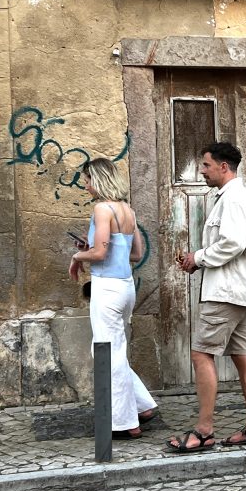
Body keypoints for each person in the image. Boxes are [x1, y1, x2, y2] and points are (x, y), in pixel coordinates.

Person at [166, 142, 246, 453]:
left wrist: (198, 257)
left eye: (206, 165)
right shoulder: (233, 196)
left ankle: (204, 430)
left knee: (201, 354)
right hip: (238, 290)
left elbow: (233, 243)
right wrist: (199, 259)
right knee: (242, 355)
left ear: (224, 167)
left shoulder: (233, 198)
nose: (202, 170)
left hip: (226, 292)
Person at [69, 158, 158, 440]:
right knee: (112, 350)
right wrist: (90, 246)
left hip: (107, 288)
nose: (85, 186)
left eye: (87, 180)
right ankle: (143, 405)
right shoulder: (127, 210)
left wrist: (78, 255)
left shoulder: (101, 209)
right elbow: (134, 254)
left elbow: (100, 255)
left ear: (98, 180)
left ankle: (123, 422)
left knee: (107, 352)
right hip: (125, 287)